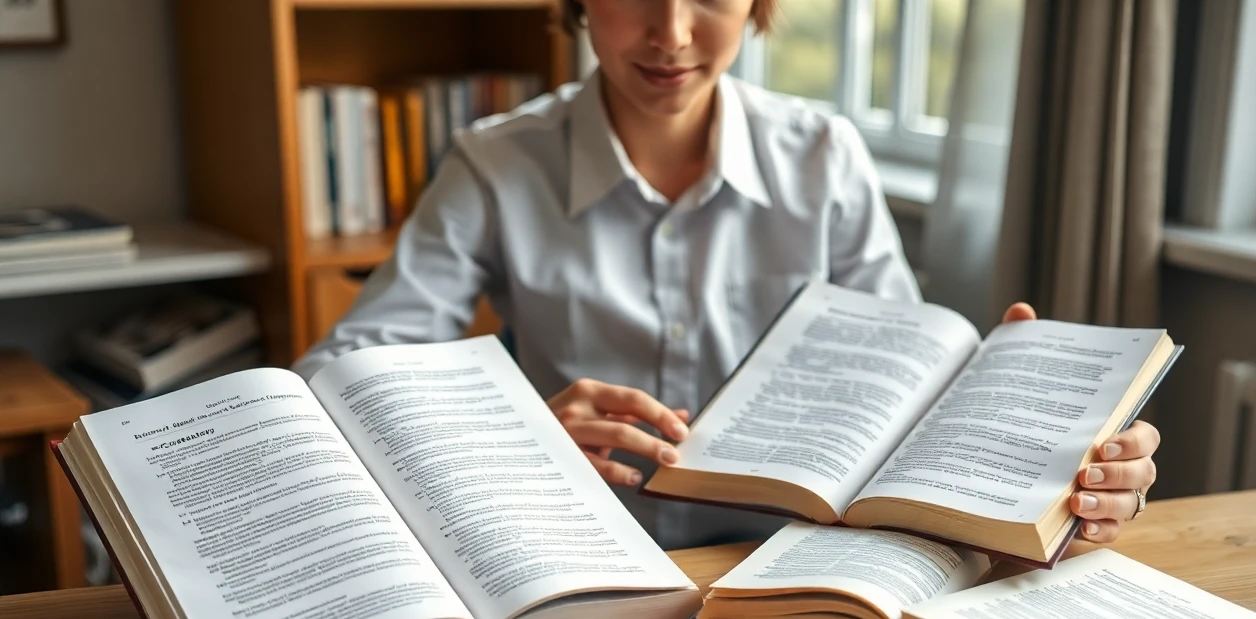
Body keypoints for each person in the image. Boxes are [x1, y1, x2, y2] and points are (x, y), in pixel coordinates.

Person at [293, 0, 1160, 550]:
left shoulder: (824, 159)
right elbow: (334, 376)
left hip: (796, 575)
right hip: (577, 566)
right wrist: (514, 430)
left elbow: (908, 404)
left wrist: (1053, 472)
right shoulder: (495, 163)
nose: (671, 33)